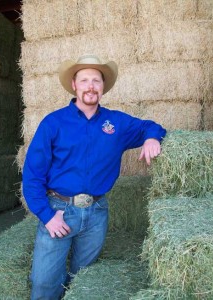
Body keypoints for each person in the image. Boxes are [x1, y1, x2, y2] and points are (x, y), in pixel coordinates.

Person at [22, 54, 166, 299]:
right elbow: (32, 175)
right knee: (45, 284)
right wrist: (47, 216)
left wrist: (152, 137)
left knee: (84, 281)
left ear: (103, 87)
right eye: (85, 80)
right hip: (59, 211)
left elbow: (151, 126)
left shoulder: (115, 123)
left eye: (96, 81)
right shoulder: (53, 123)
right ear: (74, 85)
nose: (91, 86)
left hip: (97, 212)